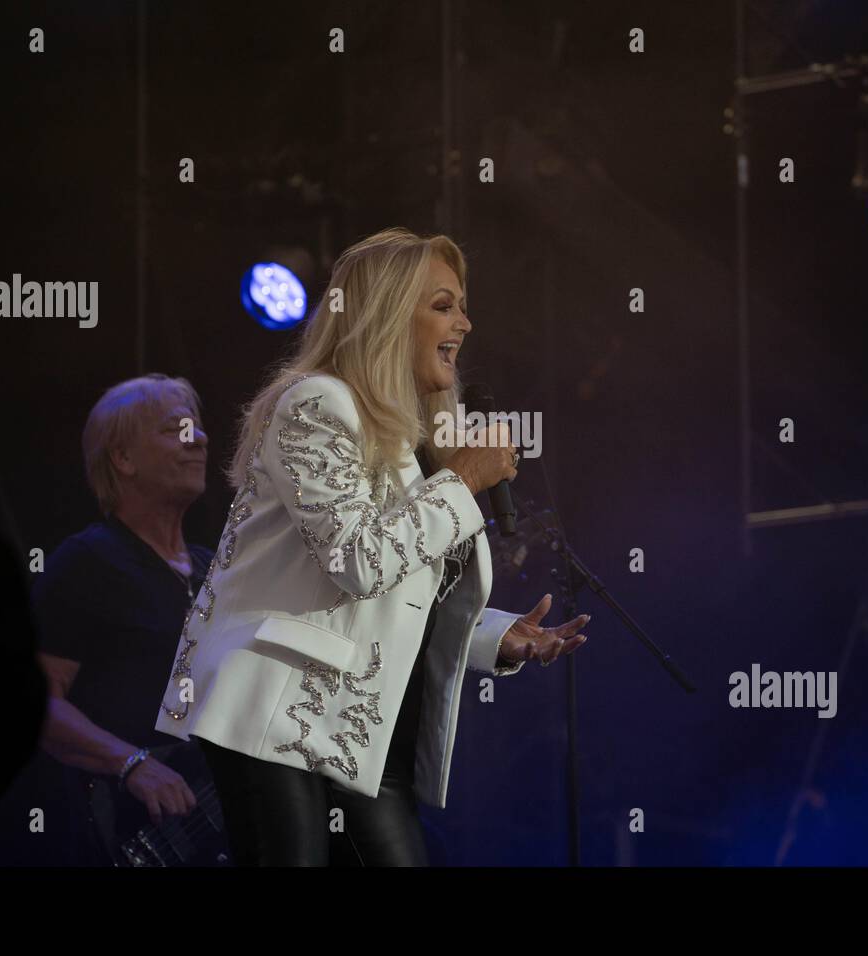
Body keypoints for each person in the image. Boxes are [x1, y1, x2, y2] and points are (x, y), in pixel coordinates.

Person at [157, 227, 590, 866]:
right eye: (443, 305)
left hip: (362, 727)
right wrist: (465, 481)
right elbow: (357, 561)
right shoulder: (316, 404)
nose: (465, 324)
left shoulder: (410, 447)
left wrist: (493, 637)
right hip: (279, 708)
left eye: (463, 306)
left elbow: (391, 598)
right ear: (387, 315)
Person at [34, 374, 216, 862]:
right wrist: (131, 763)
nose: (197, 438)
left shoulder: (213, 565)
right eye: (174, 429)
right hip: (133, 836)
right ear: (124, 459)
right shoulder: (87, 561)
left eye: (197, 427)